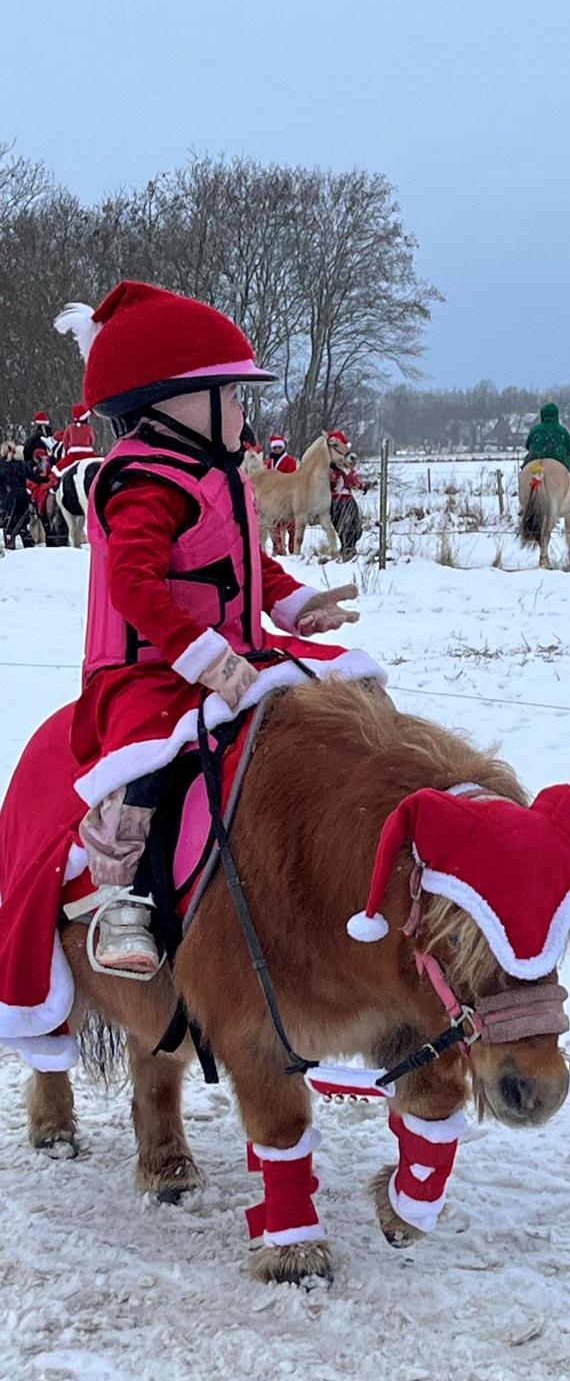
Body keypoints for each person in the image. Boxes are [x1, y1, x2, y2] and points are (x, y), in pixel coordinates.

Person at [54, 280, 362, 977]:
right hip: (149, 668)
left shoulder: (212, 475)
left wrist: (301, 603)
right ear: (177, 402)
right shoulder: (143, 480)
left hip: (232, 650)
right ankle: (123, 896)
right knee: (153, 758)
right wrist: (206, 661)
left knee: (343, 686)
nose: (244, 411)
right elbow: (134, 586)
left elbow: (246, 566)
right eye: (234, 394)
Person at [523, 401, 570, 509]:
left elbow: (527, 445)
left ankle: (525, 503)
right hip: (558, 458)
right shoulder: (562, 429)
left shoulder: (535, 429)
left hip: (536, 459)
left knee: (527, 475)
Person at [326, 429, 368, 559]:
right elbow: (329, 483)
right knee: (342, 524)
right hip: (336, 500)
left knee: (355, 522)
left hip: (348, 498)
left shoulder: (347, 467)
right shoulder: (329, 468)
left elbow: (353, 480)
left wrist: (362, 486)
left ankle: (351, 545)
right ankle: (346, 547)